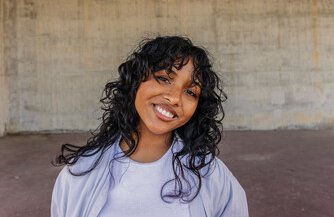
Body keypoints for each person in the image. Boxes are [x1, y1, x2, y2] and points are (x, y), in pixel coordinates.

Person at [51, 36, 248, 217]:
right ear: (136, 79)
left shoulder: (212, 175)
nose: (174, 98)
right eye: (164, 78)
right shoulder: (78, 173)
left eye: (190, 92)